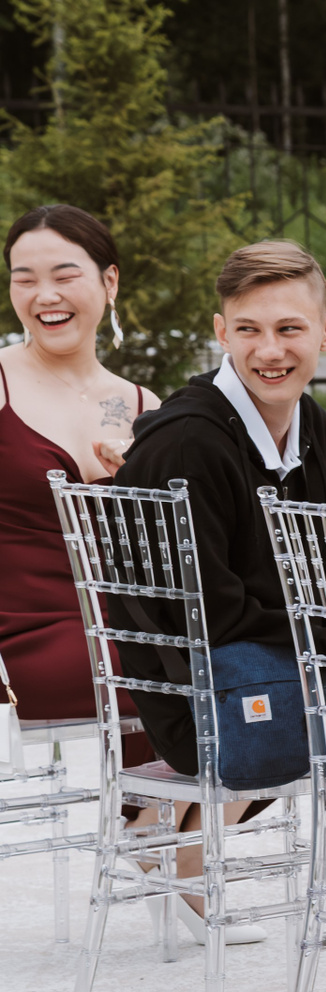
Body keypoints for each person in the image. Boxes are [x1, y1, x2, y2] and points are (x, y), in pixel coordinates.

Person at [110, 240, 326, 945]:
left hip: (270, 665)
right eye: (249, 330)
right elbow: (213, 613)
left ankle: (164, 830)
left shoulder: (313, 426)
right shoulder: (188, 442)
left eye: (290, 328)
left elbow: (323, 581)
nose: (270, 350)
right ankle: (182, 845)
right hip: (200, 693)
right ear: (221, 332)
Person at [1, 205, 157, 776]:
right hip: (24, 641)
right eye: (24, 280)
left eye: (64, 277)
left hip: (132, 634)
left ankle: (151, 824)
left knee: (262, 695)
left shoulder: (144, 406)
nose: (45, 296)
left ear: (109, 281)